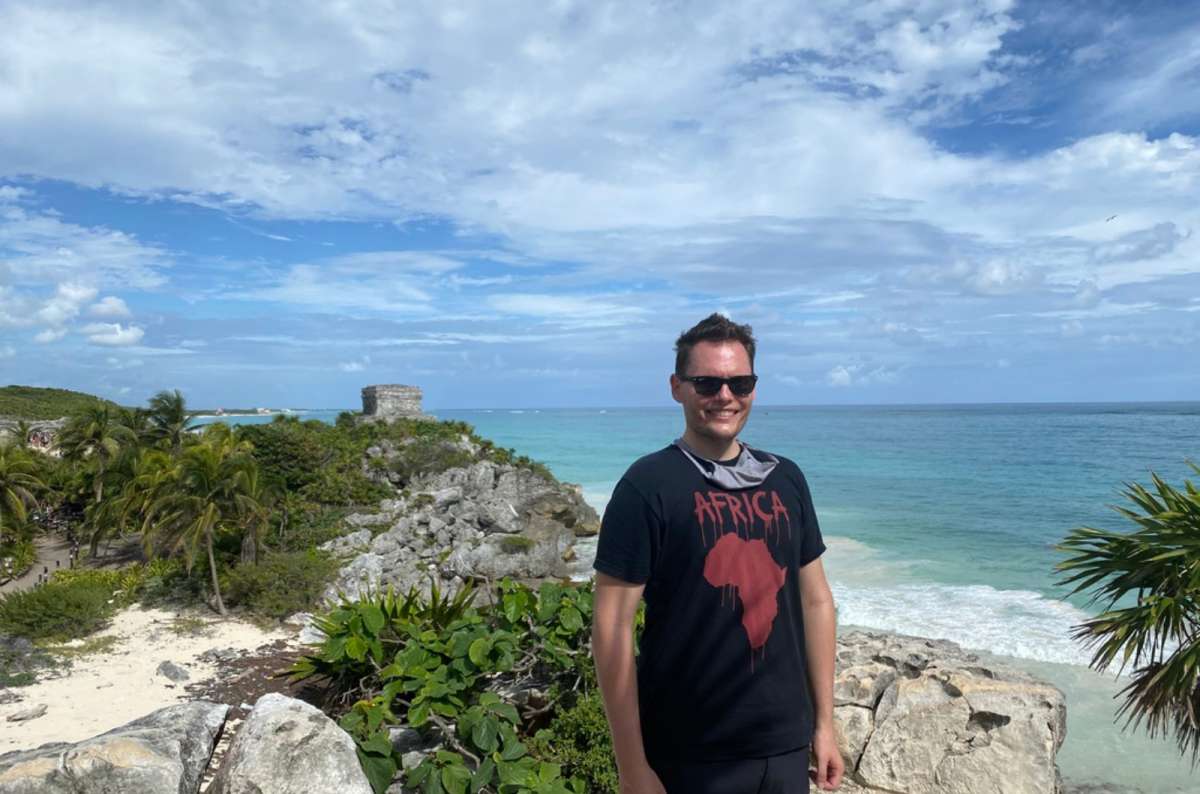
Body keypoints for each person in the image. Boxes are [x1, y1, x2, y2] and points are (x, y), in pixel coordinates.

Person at [591, 313, 843, 794]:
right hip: (690, 752)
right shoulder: (648, 487)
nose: (724, 396)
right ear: (677, 387)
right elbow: (610, 627)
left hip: (785, 744)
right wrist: (631, 767)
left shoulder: (786, 478)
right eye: (706, 383)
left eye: (739, 382)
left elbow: (815, 601)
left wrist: (824, 724)